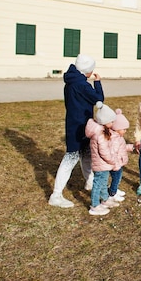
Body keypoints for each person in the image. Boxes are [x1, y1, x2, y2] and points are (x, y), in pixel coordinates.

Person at [48, 54, 104, 208]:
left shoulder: (72, 81)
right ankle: (56, 194)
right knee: (70, 158)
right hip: (79, 127)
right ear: (87, 71)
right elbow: (99, 100)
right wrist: (97, 83)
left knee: (86, 154)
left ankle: (90, 182)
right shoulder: (82, 85)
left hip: (77, 124)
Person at [85, 102, 132, 216]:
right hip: (102, 164)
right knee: (98, 184)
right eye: (111, 121)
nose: (113, 123)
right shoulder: (99, 134)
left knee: (103, 182)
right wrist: (113, 161)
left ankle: (105, 199)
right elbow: (105, 152)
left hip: (105, 164)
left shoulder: (103, 132)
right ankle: (95, 205)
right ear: (105, 122)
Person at [107, 108, 134, 202]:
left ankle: (114, 190)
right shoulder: (114, 139)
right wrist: (116, 165)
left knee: (117, 178)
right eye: (124, 129)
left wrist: (131, 147)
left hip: (118, 163)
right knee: (116, 179)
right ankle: (112, 194)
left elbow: (122, 148)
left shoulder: (118, 137)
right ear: (117, 128)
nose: (125, 131)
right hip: (115, 164)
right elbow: (112, 153)